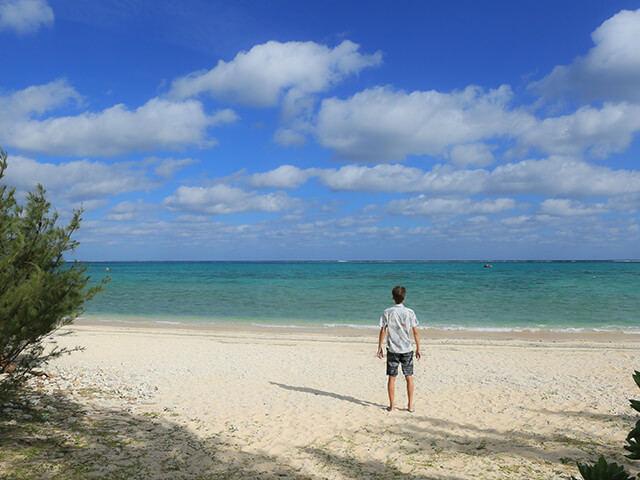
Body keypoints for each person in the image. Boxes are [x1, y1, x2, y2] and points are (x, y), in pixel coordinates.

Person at [377, 286, 421, 412]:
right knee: (409, 377)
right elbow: (416, 332)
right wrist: (418, 348)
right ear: (404, 297)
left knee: (392, 377)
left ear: (393, 297)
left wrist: (379, 346)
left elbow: (383, 330)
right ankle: (410, 406)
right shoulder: (410, 312)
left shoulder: (387, 312)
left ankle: (392, 406)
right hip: (407, 348)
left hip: (392, 349)